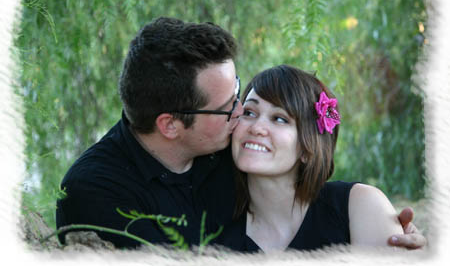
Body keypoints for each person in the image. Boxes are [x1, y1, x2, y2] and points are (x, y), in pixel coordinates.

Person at [56, 17, 425, 250]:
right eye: (237, 108)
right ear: (170, 125)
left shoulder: (227, 149)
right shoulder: (97, 193)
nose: (244, 120)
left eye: (238, 93)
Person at [216, 65, 418, 252]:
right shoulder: (211, 227)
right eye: (250, 112)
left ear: (307, 148)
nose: (257, 127)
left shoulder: (359, 207)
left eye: (279, 118)